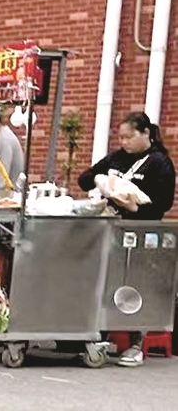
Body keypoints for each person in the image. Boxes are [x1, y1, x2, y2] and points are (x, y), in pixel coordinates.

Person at [78, 111, 175, 366]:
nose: (124, 142)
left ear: (145, 134)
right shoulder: (117, 158)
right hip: (112, 230)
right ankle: (99, 336)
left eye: (129, 137)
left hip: (141, 233)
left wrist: (134, 206)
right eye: (121, 137)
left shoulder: (159, 163)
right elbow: (84, 179)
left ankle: (135, 344)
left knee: (135, 285)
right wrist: (101, 181)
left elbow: (163, 203)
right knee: (105, 282)